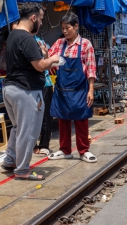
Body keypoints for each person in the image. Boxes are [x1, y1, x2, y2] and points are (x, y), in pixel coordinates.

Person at [2, 3, 60, 180]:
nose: (41, 23)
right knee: (28, 131)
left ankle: (10, 160)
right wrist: (53, 59)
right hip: (26, 91)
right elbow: (40, 65)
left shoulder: (13, 35)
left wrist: (43, 55)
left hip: (10, 89)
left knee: (18, 128)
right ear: (33, 18)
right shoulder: (27, 39)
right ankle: (22, 170)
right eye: (41, 19)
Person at [48, 12, 97, 163]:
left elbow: (91, 69)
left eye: (67, 27)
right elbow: (49, 58)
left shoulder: (85, 44)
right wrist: (44, 53)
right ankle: (65, 150)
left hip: (80, 90)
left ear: (76, 26)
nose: (65, 31)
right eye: (63, 28)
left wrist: (91, 90)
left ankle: (83, 151)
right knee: (63, 119)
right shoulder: (60, 43)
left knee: (81, 119)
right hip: (62, 90)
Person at [33, 32, 54, 157]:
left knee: (46, 116)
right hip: (30, 85)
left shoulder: (40, 41)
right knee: (32, 116)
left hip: (45, 83)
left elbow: (48, 62)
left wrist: (46, 55)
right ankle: (33, 144)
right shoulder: (22, 40)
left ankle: (44, 144)